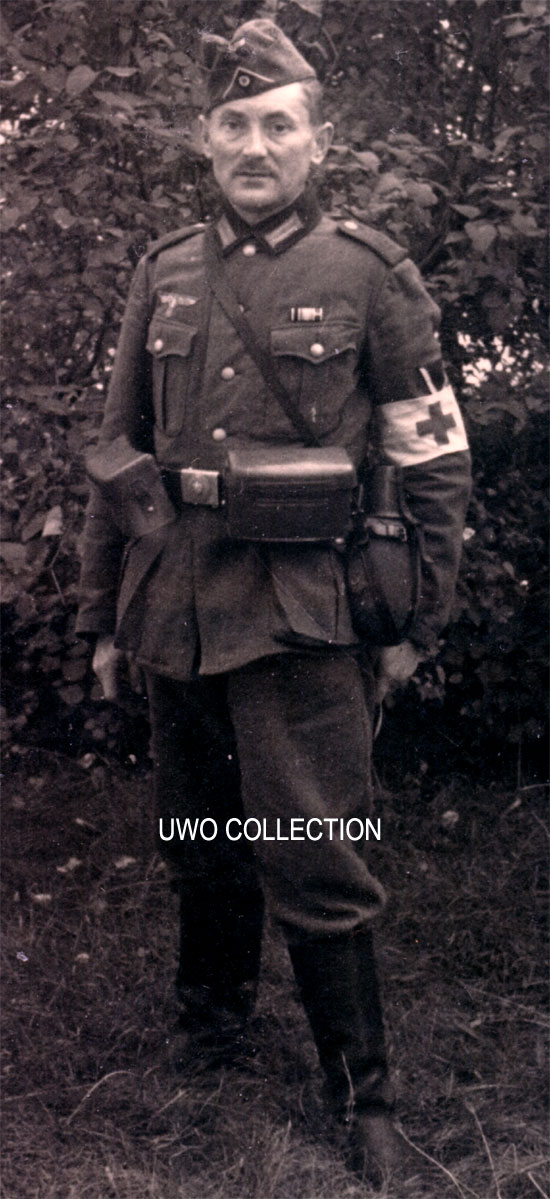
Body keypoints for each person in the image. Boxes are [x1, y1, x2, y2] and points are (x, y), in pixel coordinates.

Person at [77, 18, 471, 1186]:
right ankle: (210, 1046)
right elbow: (116, 450)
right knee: (200, 838)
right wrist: (103, 614)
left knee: (314, 849)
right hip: (176, 601)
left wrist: (416, 623)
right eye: (235, 125)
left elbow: (433, 456)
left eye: (278, 126)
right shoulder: (164, 269)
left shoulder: (366, 272)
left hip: (302, 610)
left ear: (317, 142)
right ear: (206, 140)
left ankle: (367, 1097)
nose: (256, 146)